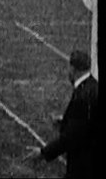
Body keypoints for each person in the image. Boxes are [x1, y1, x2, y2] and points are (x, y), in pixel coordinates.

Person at [25, 50, 98, 178]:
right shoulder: (93, 86)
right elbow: (87, 121)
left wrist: (43, 153)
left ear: (73, 68)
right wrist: (65, 120)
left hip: (83, 166)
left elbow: (70, 138)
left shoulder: (81, 96)